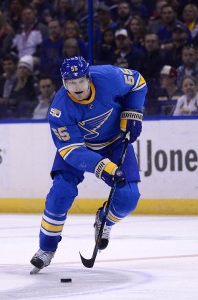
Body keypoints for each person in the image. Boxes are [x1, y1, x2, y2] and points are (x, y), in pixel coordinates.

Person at [30, 56, 147, 273]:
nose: (76, 87)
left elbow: (138, 82)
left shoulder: (109, 77)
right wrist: (103, 167)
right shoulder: (59, 109)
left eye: (80, 81)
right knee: (60, 193)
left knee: (129, 198)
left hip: (115, 143)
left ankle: (104, 220)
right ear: (64, 83)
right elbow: (71, 151)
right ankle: (46, 249)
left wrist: (133, 112)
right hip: (80, 148)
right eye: (71, 82)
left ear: (88, 77)